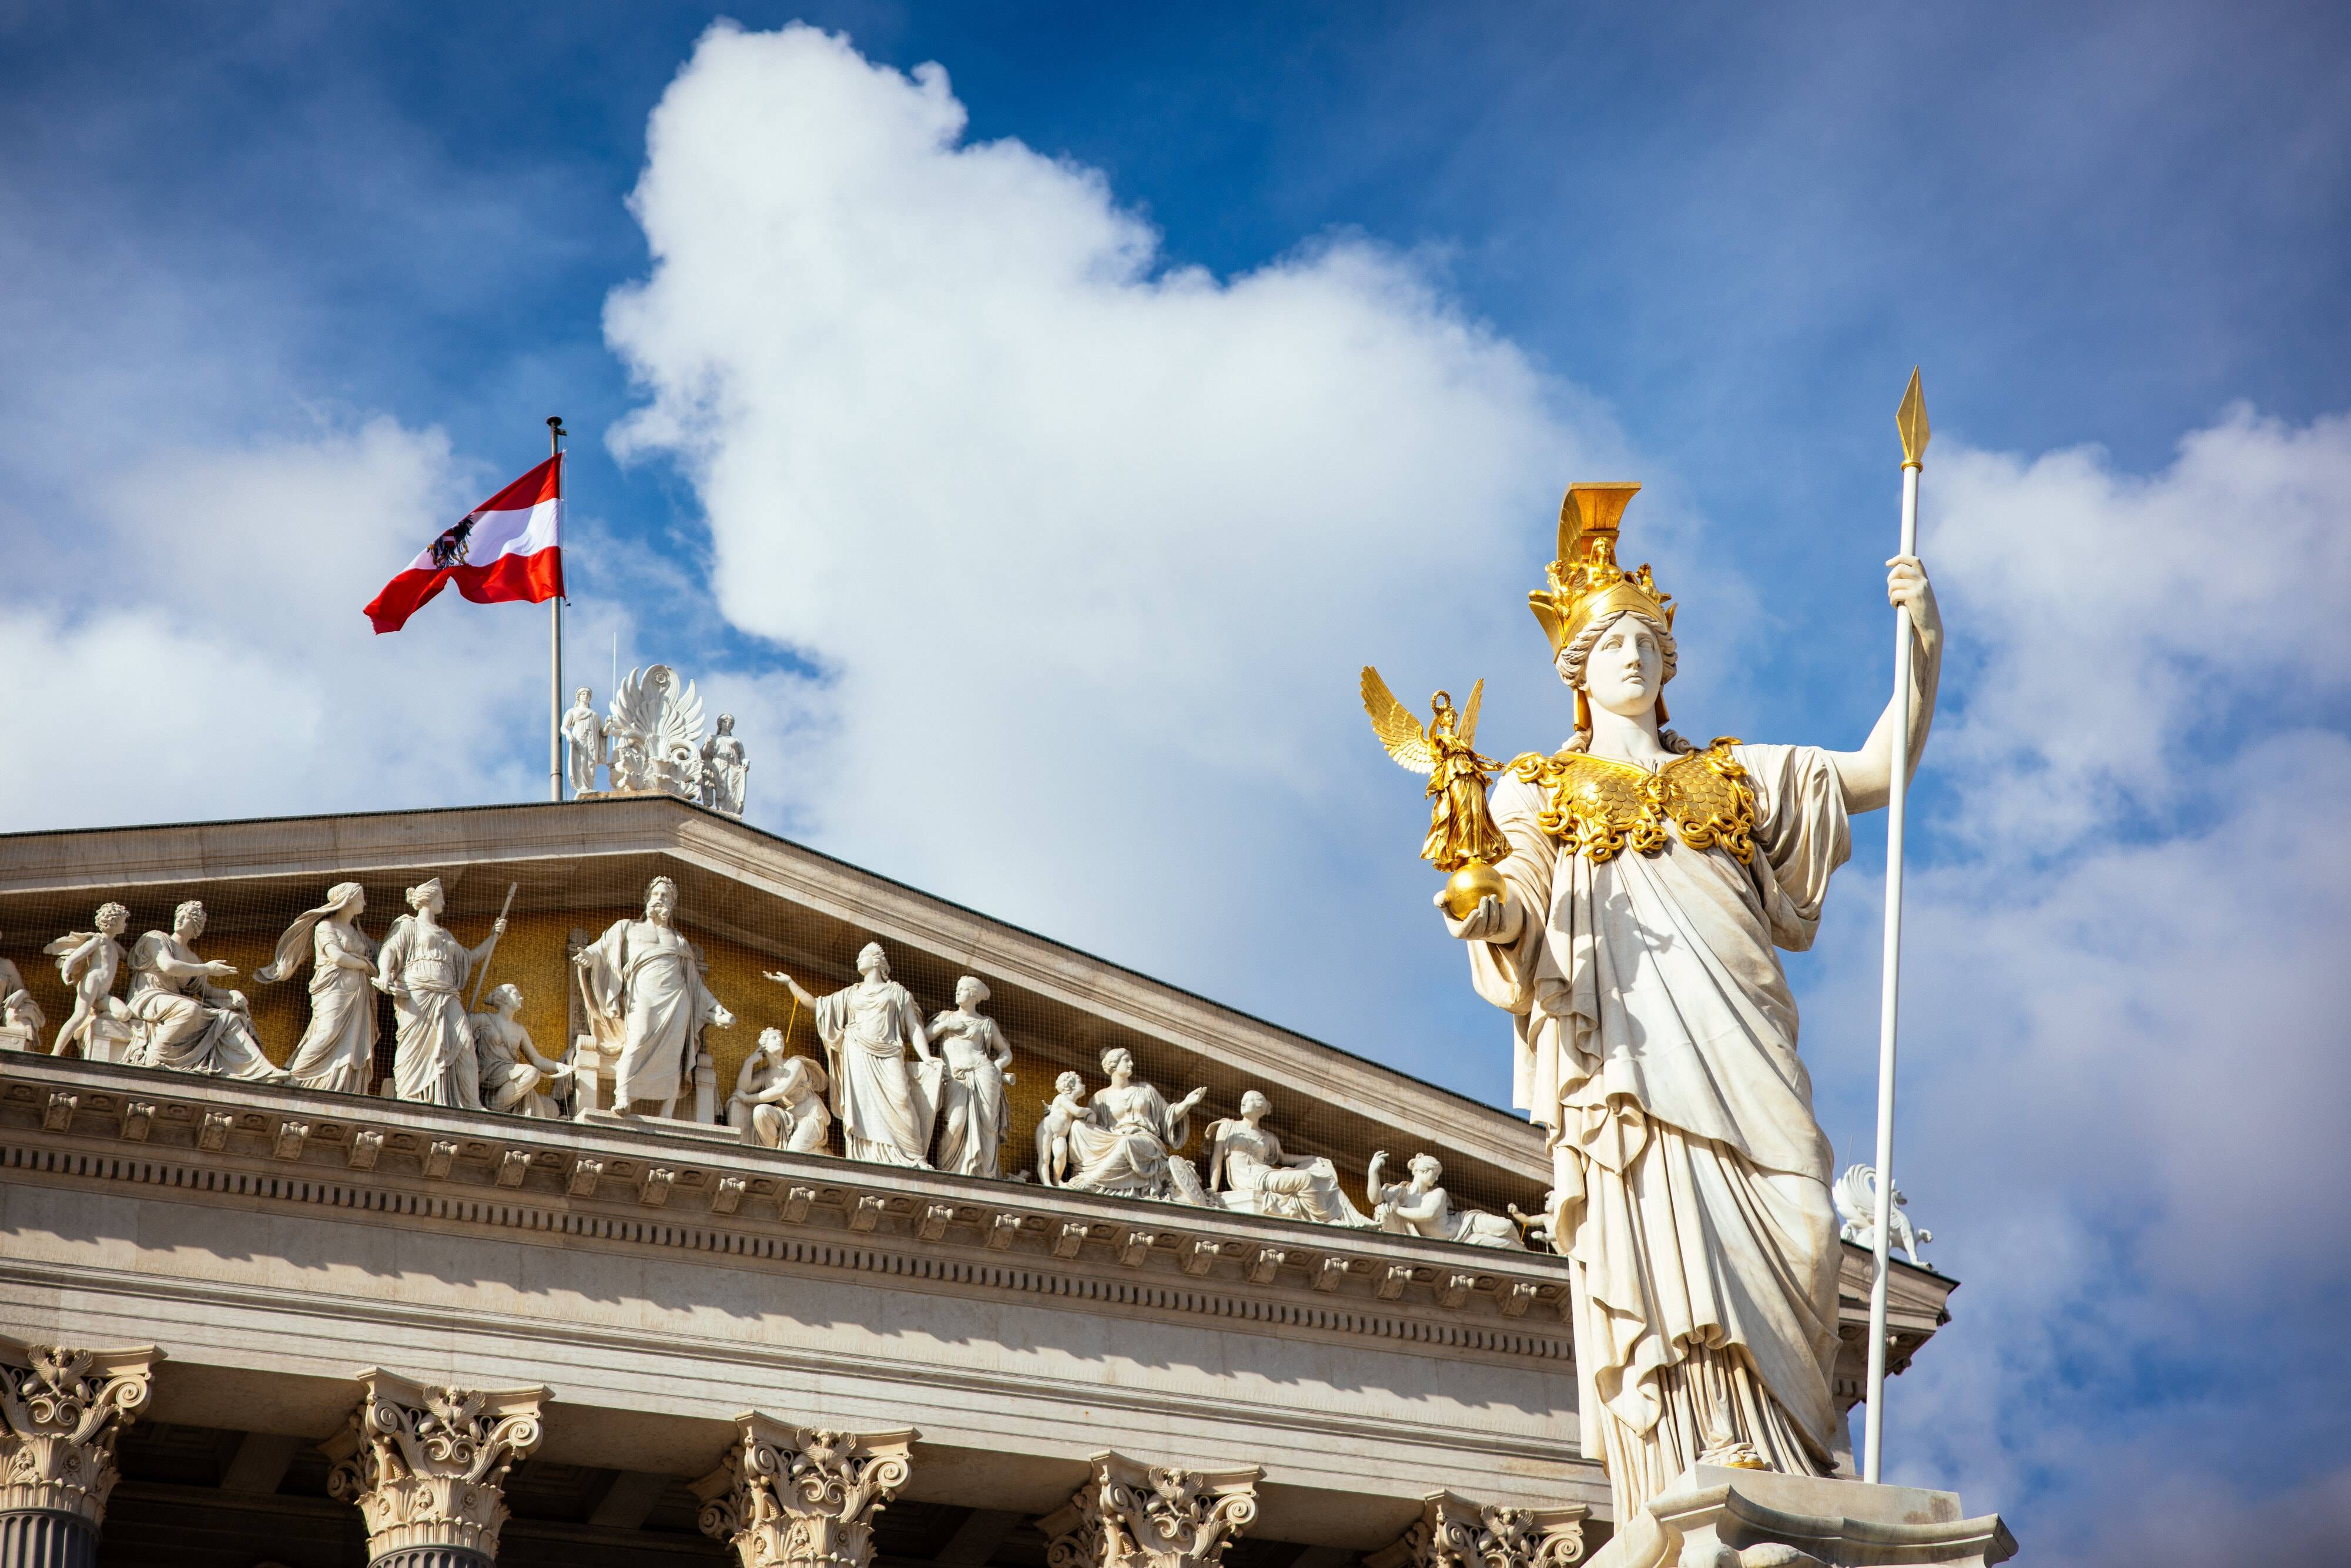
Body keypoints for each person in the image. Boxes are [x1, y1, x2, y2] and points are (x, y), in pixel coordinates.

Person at [1442, 485, 1943, 1516]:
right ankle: (1703, 1447)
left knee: (1804, 1220)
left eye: (1646, 641)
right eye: (1609, 644)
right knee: (1667, 1236)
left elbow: (1881, 768)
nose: (1630, 655)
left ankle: (1797, 1455)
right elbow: (1514, 903)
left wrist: (1922, 644)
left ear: (1669, 662)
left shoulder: (1738, 773)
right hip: (1631, 1053)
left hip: (1744, 1037)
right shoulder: (1534, 787)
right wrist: (1487, 908)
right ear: (1578, 672)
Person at [765, 942, 934, 1167]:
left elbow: (913, 1028)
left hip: (889, 1053)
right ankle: (867, 1157)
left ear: (876, 961)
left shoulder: (896, 992)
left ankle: (914, 1157)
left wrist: (927, 1058)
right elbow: (817, 1006)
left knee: (901, 1099)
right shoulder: (850, 994)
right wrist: (790, 984)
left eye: (862, 956)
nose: (857, 961)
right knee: (863, 1105)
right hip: (857, 1052)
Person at [575, 876, 734, 1117]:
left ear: (673, 904)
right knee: (637, 1038)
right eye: (657, 895)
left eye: (666, 896)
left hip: (677, 998)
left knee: (674, 1053)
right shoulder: (627, 928)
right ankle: (624, 1094)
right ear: (647, 899)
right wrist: (590, 956)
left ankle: (667, 1111)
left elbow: (695, 983)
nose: (660, 900)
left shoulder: (679, 939)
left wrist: (716, 1007)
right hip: (643, 994)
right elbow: (601, 950)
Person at [123, 901, 287, 1081]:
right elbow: (168, 966)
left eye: (186, 918)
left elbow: (206, 992)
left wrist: (232, 993)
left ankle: (262, 1072)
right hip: (149, 996)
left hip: (171, 1001)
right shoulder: (156, 938)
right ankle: (154, 1057)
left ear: (195, 929)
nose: (180, 919)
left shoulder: (193, 958)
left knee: (229, 1018)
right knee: (189, 1009)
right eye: (179, 915)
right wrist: (207, 968)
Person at [376, 878, 503, 1108]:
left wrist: (494, 936)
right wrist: (385, 973)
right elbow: (390, 950)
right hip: (417, 993)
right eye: (441, 897)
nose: (444, 902)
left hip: (447, 994)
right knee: (415, 1046)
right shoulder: (408, 926)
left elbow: (471, 958)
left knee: (464, 1043)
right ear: (429, 899)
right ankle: (409, 1094)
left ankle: (471, 1102)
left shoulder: (445, 935)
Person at [258, 882, 379, 1095]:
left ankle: (343, 1085)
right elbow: (337, 957)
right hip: (334, 988)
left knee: (351, 1039)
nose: (365, 902)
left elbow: (378, 950)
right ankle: (295, 1077)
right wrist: (366, 966)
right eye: (361, 898)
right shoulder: (325, 927)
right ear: (348, 900)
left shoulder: (355, 931)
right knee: (328, 1031)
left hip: (356, 993)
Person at [1061, 1047, 1207, 1201]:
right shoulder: (1100, 1097)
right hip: (1113, 1139)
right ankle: (1086, 1174)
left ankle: (1091, 1181)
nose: (1131, 1063)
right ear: (1113, 1065)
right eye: (1126, 1060)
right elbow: (1092, 1123)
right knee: (1078, 1126)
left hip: (1144, 1139)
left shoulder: (1146, 1089)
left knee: (1127, 1142)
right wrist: (1060, 1112)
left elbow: (1167, 1115)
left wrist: (1187, 1103)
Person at [1206, 1090, 1369, 1225]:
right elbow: (1217, 1158)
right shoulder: (1228, 1127)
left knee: (1325, 1176)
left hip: (1265, 1173)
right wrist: (1213, 1188)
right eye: (1243, 1100)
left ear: (1260, 1108)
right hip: (1248, 1179)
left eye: (1248, 1100)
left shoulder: (1268, 1137)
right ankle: (1326, 1219)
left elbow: (1284, 1159)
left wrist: (1313, 1158)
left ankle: (1356, 1217)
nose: (1243, 1103)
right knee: (1305, 1178)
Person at [927, 977, 1014, 1178]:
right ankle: (951, 1172)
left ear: (974, 996)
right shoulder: (946, 1017)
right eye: (957, 989)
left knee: (987, 1126)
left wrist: (998, 1066)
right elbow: (924, 1036)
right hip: (956, 1078)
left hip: (984, 1075)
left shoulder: (986, 1024)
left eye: (963, 990)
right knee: (955, 1123)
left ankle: (985, 1174)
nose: (958, 993)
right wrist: (945, 1027)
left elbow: (1005, 1052)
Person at [1364, 1151, 1523, 1248]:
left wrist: (1398, 1210)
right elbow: (1376, 1198)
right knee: (1508, 1246)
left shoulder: (1438, 1192)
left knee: (1507, 1225)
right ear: (1423, 1171)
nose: (1438, 1178)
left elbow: (1429, 1213)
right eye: (1436, 1173)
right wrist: (1373, 1172)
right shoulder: (1399, 1193)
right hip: (1464, 1240)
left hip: (1466, 1223)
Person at [472, 984, 572, 1118]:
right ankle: (493, 1104)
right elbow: (461, 1031)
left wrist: (558, 1066)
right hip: (489, 1073)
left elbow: (537, 1060)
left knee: (545, 1098)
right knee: (532, 1073)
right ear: (505, 998)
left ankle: (498, 1104)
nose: (521, 998)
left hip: (509, 1076)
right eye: (516, 994)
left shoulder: (519, 1030)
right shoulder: (484, 1020)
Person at [727, 1026, 831, 1152]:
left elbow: (781, 1090)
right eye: (774, 1038)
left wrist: (747, 1098)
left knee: (793, 1154)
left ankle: (824, 1153)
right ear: (764, 1047)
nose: (779, 1041)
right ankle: (770, 1154)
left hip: (808, 1117)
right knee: (761, 1111)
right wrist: (749, 1063)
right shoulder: (765, 1074)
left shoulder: (795, 1064)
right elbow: (742, 1088)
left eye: (781, 1038)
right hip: (787, 1117)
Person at [45, 903, 129, 1056]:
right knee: (78, 1017)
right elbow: (73, 959)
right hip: (91, 983)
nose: (126, 924)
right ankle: (55, 1053)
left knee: (125, 1014)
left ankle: (93, 1018)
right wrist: (66, 972)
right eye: (123, 921)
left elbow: (130, 959)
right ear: (114, 922)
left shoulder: (115, 946)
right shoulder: (98, 941)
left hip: (102, 995)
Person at [1033, 1071, 1088, 1187]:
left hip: (1061, 1135)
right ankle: (1047, 1183)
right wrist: (1090, 1112)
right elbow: (1078, 1112)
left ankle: (1057, 1180)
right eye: (1080, 1082)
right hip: (1048, 1128)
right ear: (1071, 1085)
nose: (1084, 1085)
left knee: (1061, 1155)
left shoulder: (1071, 1103)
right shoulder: (1061, 1098)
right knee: (1045, 1157)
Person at [562, 686, 607, 796]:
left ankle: (588, 787)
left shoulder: (594, 714)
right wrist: (568, 734)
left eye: (588, 694)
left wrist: (609, 725)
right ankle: (583, 786)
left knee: (591, 763)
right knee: (581, 761)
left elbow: (604, 732)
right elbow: (564, 727)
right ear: (579, 697)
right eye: (583, 694)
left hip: (592, 740)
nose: (586, 696)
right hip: (579, 738)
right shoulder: (572, 711)